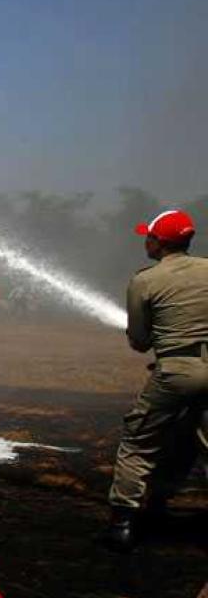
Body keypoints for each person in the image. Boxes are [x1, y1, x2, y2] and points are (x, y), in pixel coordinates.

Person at [103, 209, 208, 551]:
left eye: (148, 236)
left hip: (177, 372)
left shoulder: (145, 280)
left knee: (138, 441)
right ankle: (162, 503)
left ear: (159, 243)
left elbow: (140, 341)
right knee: (194, 440)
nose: (145, 241)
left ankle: (123, 523)